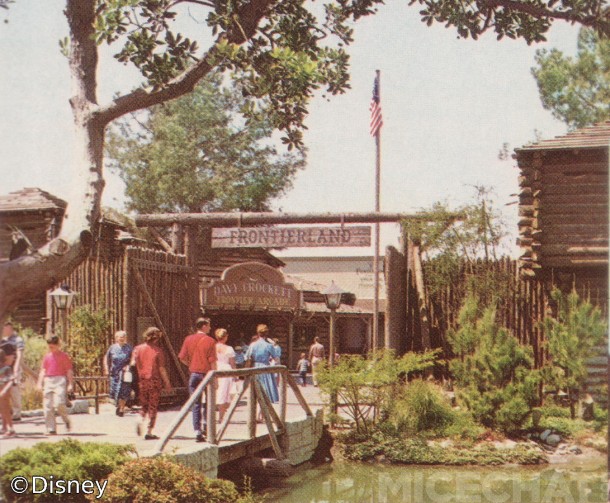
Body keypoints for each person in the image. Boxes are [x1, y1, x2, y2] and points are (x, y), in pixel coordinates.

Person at [178, 318, 217, 442]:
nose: (210, 328)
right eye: (209, 325)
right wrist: (215, 378)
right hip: (206, 374)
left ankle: (197, 431)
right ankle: (207, 425)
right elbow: (212, 361)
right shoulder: (210, 341)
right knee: (209, 402)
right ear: (204, 326)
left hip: (194, 374)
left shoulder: (188, 339)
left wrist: (190, 365)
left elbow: (182, 357)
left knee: (196, 403)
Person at [131, 327, 171, 440]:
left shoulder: (137, 349)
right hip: (154, 380)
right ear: (156, 338)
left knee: (144, 404)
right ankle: (149, 431)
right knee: (153, 406)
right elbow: (162, 368)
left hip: (142, 380)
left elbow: (133, 364)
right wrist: (167, 383)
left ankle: (140, 418)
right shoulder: (158, 351)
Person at [37, 335, 73, 435]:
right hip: (48, 380)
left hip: (60, 379)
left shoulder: (64, 356)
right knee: (47, 405)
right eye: (49, 347)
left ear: (58, 345)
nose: (50, 349)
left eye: (52, 346)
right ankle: (51, 428)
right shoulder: (47, 357)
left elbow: (69, 371)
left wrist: (70, 384)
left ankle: (66, 420)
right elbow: (43, 371)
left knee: (59, 403)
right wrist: (39, 383)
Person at [245, 324, 280, 421]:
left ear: (258, 333)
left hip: (255, 368)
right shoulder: (269, 346)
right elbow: (276, 360)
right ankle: (262, 415)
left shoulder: (253, 345)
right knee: (265, 392)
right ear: (267, 333)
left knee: (256, 392)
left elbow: (247, 358)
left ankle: (257, 415)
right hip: (265, 368)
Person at [103, 330, 133, 417]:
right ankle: (119, 405)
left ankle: (121, 409)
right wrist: (106, 369)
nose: (122, 338)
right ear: (116, 338)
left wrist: (129, 366)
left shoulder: (129, 348)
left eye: (123, 337)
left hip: (125, 373)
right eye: (120, 337)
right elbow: (106, 358)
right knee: (115, 390)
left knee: (124, 390)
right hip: (114, 373)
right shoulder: (112, 348)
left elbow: (133, 358)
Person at [1, 322, 24, 421]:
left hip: (14, 366)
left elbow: (19, 355)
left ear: (9, 328)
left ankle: (16, 412)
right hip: (4, 367)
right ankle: (6, 411)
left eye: (5, 328)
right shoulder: (3, 340)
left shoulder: (18, 340)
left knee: (14, 389)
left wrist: (16, 369)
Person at [214, 328, 236, 423]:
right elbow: (232, 363)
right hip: (226, 369)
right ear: (225, 337)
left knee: (216, 392)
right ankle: (221, 417)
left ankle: (214, 416)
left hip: (216, 368)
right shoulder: (229, 348)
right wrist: (236, 375)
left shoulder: (213, 347)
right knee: (225, 393)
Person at [0, 348, 16, 436]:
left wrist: (5, 390)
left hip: (4, 390)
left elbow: (11, 380)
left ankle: (11, 428)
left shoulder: (7, 368)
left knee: (5, 409)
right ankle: (4, 427)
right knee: (2, 409)